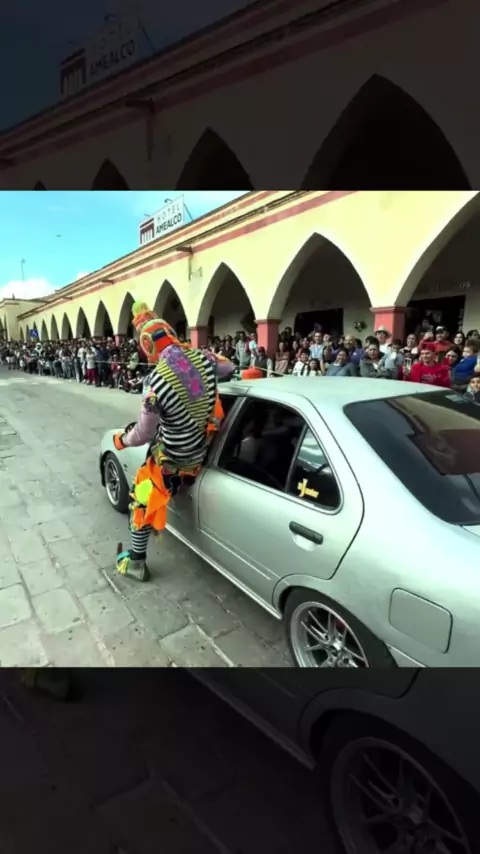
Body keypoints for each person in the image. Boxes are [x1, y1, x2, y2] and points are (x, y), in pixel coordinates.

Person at [113, 302, 235, 582]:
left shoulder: (155, 383)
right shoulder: (203, 359)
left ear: (148, 346)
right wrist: (202, 355)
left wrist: (123, 440)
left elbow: (143, 434)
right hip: (200, 451)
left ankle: (136, 562)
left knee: (140, 499)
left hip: (171, 460)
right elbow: (229, 367)